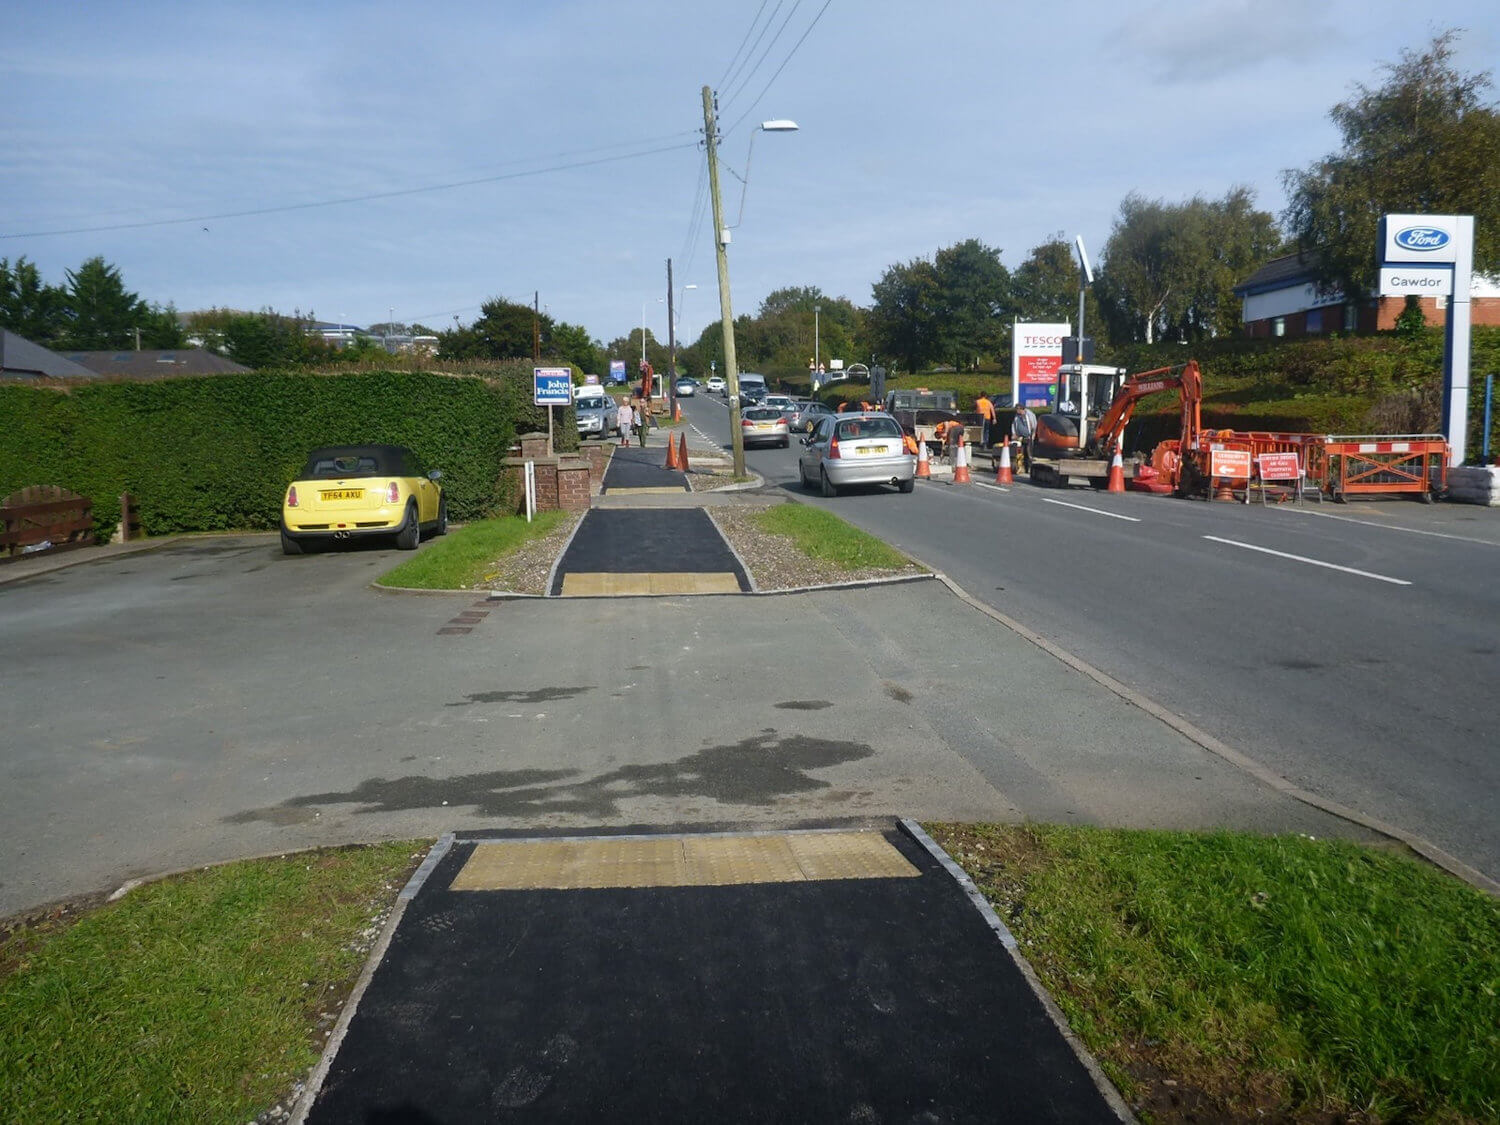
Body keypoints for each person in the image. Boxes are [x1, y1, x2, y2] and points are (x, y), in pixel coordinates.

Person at [1011, 400, 1038, 472]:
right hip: (1019, 437)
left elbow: (1034, 425)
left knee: (1028, 453)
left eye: (1018, 409)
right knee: (1021, 453)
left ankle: (1029, 468)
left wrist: (1033, 434)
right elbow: (1014, 425)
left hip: (1028, 436)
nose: (1016, 411)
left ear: (1022, 409)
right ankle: (1021, 467)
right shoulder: (1016, 416)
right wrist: (1014, 433)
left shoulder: (1029, 414)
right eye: (1016, 409)